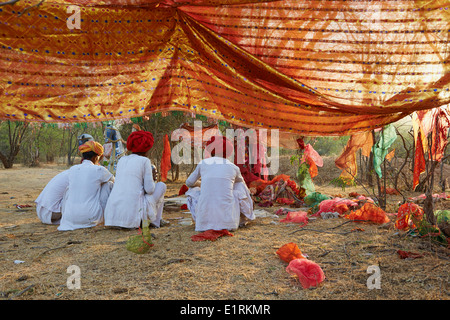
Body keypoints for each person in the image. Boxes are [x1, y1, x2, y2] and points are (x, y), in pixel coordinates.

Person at [185, 135, 255, 232]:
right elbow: (243, 187)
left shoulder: (203, 163)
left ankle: (201, 218)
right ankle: (245, 217)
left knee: (192, 190)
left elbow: (188, 182)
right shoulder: (233, 167)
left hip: (203, 225)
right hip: (229, 224)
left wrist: (200, 184)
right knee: (240, 186)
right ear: (228, 151)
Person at [104, 130, 167, 229]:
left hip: (112, 217)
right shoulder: (145, 161)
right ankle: (154, 222)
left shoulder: (122, 160)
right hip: (132, 217)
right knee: (162, 186)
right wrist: (153, 178)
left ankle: (153, 221)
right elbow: (150, 190)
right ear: (147, 148)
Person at [58, 141, 114, 231]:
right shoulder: (99, 169)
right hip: (90, 218)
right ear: (96, 157)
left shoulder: (73, 169)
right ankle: (109, 219)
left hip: (69, 218)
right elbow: (115, 182)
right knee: (108, 185)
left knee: (69, 189)